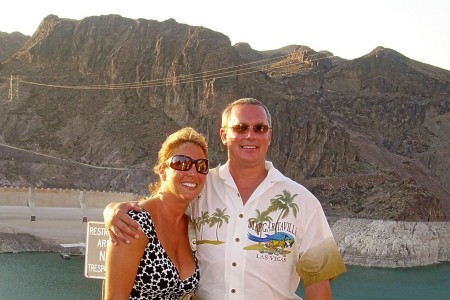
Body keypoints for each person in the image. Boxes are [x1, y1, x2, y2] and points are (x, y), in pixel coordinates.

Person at [104, 98, 346, 300]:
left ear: (269, 136)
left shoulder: (302, 201)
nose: (250, 135)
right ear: (224, 135)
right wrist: (113, 210)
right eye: (240, 128)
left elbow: (318, 284)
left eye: (259, 128)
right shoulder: (200, 185)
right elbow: (164, 204)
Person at [104, 127, 209, 300]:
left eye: (201, 166)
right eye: (181, 163)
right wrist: (110, 210)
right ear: (162, 171)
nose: (192, 172)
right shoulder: (134, 222)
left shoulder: (191, 225)